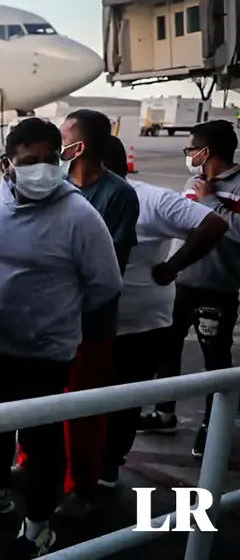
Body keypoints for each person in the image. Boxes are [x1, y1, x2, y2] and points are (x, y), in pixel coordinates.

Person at [0, 117, 122, 558]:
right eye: (29, 160)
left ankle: (38, 525)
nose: (42, 169)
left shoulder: (79, 215)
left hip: (46, 352)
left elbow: (106, 284)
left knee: (41, 441)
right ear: (7, 165)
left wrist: (55, 316)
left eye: (50, 159)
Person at [99, 134, 226, 485]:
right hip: (93, 322)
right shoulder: (81, 197)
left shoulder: (150, 199)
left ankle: (108, 467)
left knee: (125, 399)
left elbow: (213, 224)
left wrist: (173, 266)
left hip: (140, 324)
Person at [54, 109, 139, 516]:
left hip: (90, 323)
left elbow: (112, 270)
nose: (57, 145)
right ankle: (32, 464)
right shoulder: (55, 185)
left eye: (63, 138)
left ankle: (81, 488)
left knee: (83, 410)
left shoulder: (118, 195)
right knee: (41, 402)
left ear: (79, 146)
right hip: (49, 319)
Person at [145, 120, 240, 457]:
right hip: (182, 283)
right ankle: (164, 412)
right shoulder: (193, 182)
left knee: (215, 363)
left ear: (207, 151)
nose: (188, 154)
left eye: (191, 148)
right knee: (166, 351)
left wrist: (211, 202)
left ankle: (212, 428)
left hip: (217, 288)